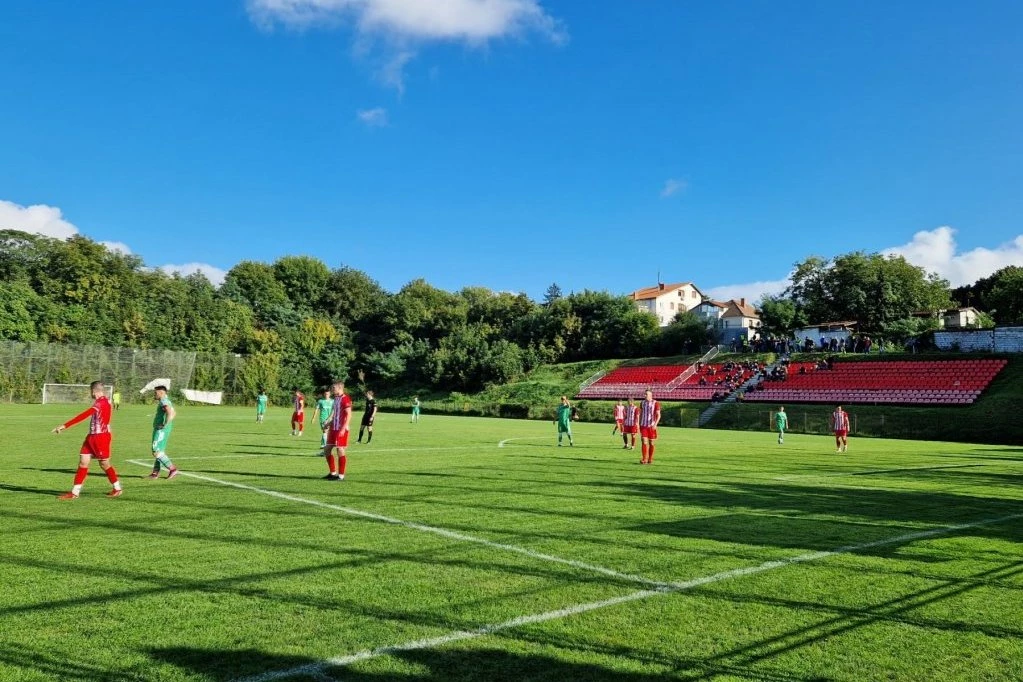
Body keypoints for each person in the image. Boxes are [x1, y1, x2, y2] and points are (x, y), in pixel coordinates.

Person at [51, 381, 123, 500]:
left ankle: (117, 488)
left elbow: (84, 415)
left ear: (93, 391)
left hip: (101, 437)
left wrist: (64, 425)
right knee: (83, 462)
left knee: (104, 464)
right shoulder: (103, 401)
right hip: (91, 436)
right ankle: (75, 493)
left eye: (90, 391)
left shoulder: (102, 402)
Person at [148, 385, 179, 479]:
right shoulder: (166, 400)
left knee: (156, 451)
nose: (154, 394)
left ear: (161, 392)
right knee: (160, 451)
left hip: (161, 430)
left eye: (155, 392)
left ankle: (172, 469)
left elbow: (169, 412)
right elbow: (174, 413)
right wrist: (167, 424)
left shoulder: (163, 401)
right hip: (164, 429)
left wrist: (164, 424)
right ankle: (155, 473)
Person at [323, 381, 353, 481]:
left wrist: (343, 429)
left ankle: (341, 476)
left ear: (340, 388)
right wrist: (328, 423)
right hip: (333, 428)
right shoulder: (336, 399)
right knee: (327, 449)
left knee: (340, 449)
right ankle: (332, 473)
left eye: (334, 388)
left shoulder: (346, 399)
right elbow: (335, 413)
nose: (332, 390)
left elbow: (349, 415)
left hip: (341, 429)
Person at [639, 389, 661, 464]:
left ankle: (650, 458)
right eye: (644, 394)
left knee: (651, 442)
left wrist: (655, 424)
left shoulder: (656, 403)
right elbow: (641, 414)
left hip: (651, 426)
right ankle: (644, 459)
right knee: (644, 441)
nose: (644, 395)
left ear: (651, 395)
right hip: (643, 426)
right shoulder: (642, 403)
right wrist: (639, 423)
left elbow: (658, 415)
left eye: (646, 394)